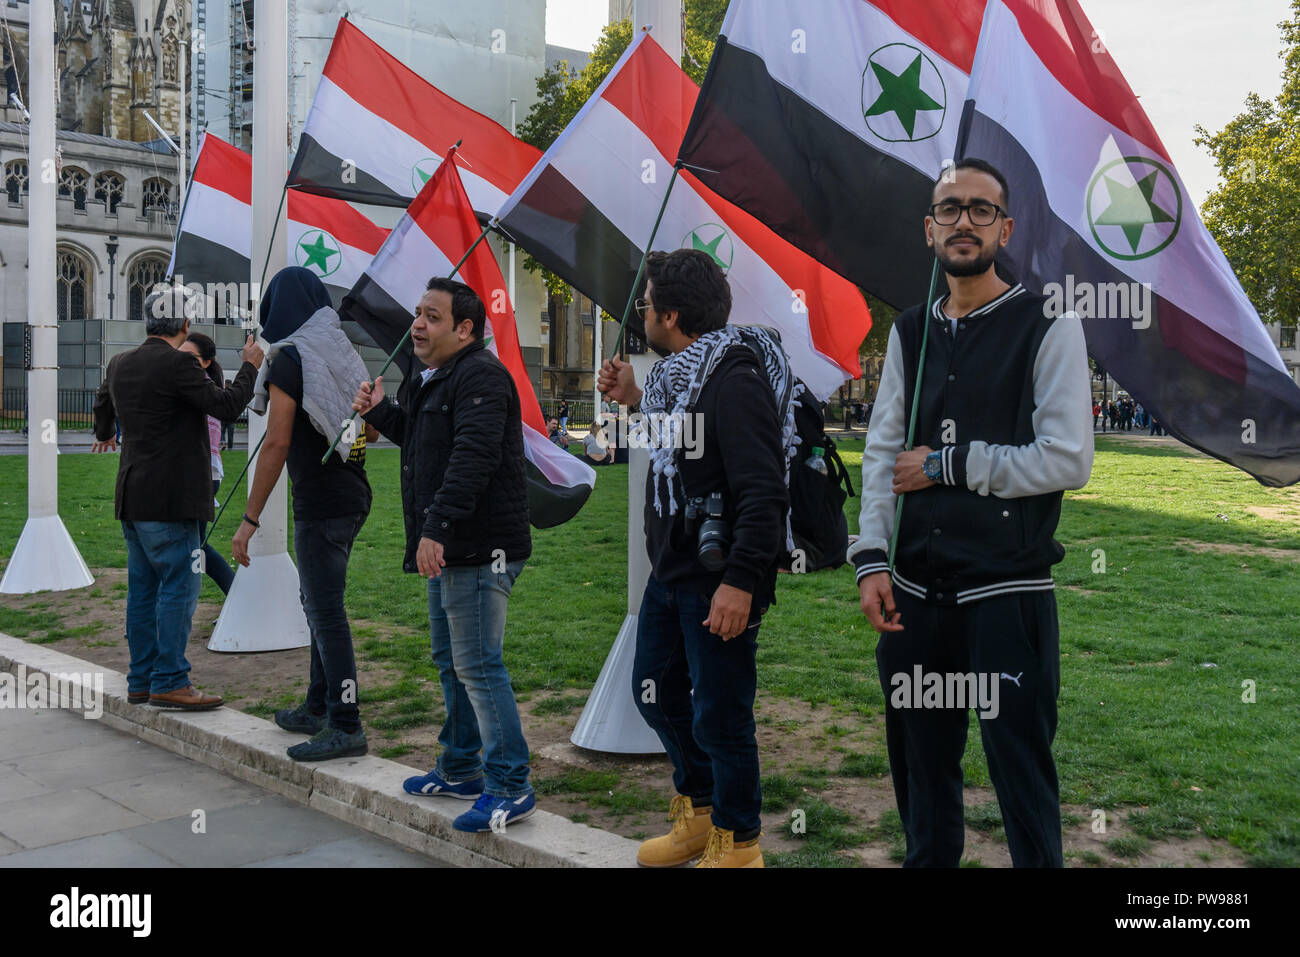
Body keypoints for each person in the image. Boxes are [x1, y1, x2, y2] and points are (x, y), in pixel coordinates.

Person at [852, 159, 1094, 867]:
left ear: (1005, 227)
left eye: (981, 209)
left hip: (1006, 594)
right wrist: (871, 558)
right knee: (922, 784)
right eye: (949, 209)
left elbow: (1066, 458)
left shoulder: (1048, 322)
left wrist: (948, 464)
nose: (964, 221)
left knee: (1022, 779)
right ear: (930, 231)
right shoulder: (908, 332)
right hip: (915, 596)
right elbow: (880, 451)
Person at [598, 249, 788, 868]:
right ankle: (700, 810)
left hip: (720, 580)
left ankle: (739, 842)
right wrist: (633, 397)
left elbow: (763, 492)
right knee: (654, 693)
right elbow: (679, 452)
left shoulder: (732, 380)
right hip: (674, 571)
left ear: (670, 315)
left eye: (647, 305)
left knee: (721, 714)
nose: (642, 314)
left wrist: (740, 582)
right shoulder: (680, 379)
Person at [352, 277, 536, 832]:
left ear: (465, 329)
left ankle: (510, 783)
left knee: (478, 665)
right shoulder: (436, 377)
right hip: (450, 546)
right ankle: (461, 768)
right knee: (452, 662)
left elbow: (472, 458)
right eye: (417, 314)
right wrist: (383, 413)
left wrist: (436, 528)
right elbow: (425, 440)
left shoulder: (480, 375)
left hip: (479, 548)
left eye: (432, 317)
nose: (417, 325)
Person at [91, 286, 263, 710]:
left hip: (131, 498)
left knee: (143, 591)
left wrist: (105, 434)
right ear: (185, 325)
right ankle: (169, 679)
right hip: (172, 501)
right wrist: (249, 368)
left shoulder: (119, 363)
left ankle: (141, 679)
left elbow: (101, 408)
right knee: (178, 590)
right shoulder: (179, 365)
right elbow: (226, 406)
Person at [231, 267, 376, 761]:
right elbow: (371, 431)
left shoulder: (292, 357)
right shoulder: (340, 350)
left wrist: (249, 521)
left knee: (326, 612)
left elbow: (277, 441)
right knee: (318, 603)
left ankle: (345, 722)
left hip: (322, 501)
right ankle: (317, 705)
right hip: (353, 491)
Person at [179, 331, 236, 595]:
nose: (181, 360)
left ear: (205, 362)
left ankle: (237, 596)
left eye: (189, 357)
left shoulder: (200, 387)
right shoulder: (201, 385)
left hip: (201, 474)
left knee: (193, 546)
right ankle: (237, 596)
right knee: (195, 545)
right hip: (200, 473)